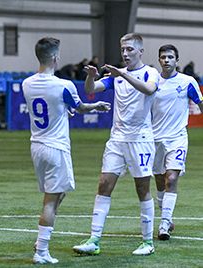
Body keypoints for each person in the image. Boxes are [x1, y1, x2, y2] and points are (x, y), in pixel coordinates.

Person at [22, 37, 111, 264]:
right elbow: (79, 107)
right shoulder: (63, 85)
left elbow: (53, 107)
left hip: (37, 146)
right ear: (55, 57)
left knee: (57, 194)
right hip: (56, 147)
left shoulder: (27, 84)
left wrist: (63, 111)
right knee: (50, 201)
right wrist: (97, 106)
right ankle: (41, 251)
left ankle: (40, 242)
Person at [73, 33, 159, 256]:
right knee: (104, 184)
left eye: (130, 49)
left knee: (142, 188)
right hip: (117, 140)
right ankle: (94, 239)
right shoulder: (116, 77)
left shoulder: (150, 72)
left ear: (141, 51)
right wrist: (91, 76)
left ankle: (148, 242)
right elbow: (91, 90)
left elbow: (149, 89)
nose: (125, 53)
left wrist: (122, 74)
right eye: (123, 49)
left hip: (140, 139)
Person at [152, 44, 203, 240]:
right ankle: (166, 214)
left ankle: (164, 223)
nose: (166, 60)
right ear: (159, 60)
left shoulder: (187, 81)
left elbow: (200, 102)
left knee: (171, 179)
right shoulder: (152, 81)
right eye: (163, 57)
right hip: (154, 139)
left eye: (170, 57)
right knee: (159, 179)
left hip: (177, 138)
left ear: (177, 60)